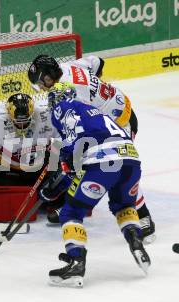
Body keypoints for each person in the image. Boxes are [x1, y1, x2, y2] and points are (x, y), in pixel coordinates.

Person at [28, 54, 155, 243]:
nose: (42, 88)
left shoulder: (71, 93)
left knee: (115, 166)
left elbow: (77, 127)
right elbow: (98, 61)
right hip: (119, 111)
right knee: (91, 165)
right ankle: (77, 202)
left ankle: (144, 218)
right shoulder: (68, 66)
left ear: (48, 77)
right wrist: (97, 87)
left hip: (119, 125)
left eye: (41, 83)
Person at [45, 82, 150, 288]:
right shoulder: (94, 110)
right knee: (125, 207)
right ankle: (136, 243)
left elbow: (75, 136)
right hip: (131, 160)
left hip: (103, 160)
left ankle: (76, 263)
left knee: (71, 212)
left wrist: (66, 159)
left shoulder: (62, 107)